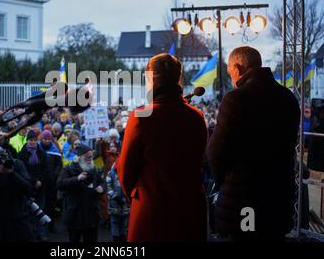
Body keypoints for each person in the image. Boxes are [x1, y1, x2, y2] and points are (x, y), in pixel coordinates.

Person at [207, 46, 300, 241]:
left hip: (245, 201)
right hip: (279, 199)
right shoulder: (288, 98)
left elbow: (216, 152)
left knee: (245, 238)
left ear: (238, 68)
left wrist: (224, 183)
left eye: (230, 70)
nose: (230, 75)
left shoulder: (235, 99)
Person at [117, 53, 208, 242]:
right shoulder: (196, 117)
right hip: (189, 211)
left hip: (152, 213)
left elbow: (125, 171)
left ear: (151, 80)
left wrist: (138, 196)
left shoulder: (140, 117)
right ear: (179, 79)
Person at [57, 145, 105, 242]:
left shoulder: (94, 168)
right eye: (87, 157)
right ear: (79, 157)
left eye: (91, 157)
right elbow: (60, 184)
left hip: (91, 213)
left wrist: (102, 188)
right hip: (75, 213)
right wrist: (77, 179)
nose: (90, 159)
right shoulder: (69, 168)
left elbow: (103, 182)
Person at [18, 130, 50, 241]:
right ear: (27, 141)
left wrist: (40, 181)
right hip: (27, 187)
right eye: (30, 140)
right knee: (29, 211)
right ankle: (30, 233)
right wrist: (34, 180)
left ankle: (41, 233)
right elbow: (22, 170)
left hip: (41, 187)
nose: (32, 142)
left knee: (40, 209)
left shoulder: (42, 153)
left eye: (34, 140)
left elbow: (46, 170)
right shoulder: (22, 154)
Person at [106, 161, 130, 242]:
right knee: (115, 223)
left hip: (125, 204)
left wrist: (127, 198)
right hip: (114, 204)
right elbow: (108, 186)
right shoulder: (111, 173)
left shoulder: (127, 173)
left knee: (124, 224)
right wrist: (115, 196)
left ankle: (123, 239)